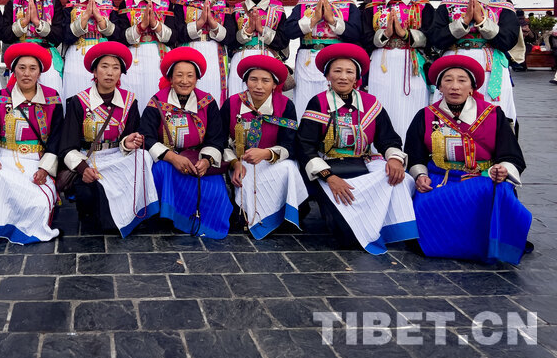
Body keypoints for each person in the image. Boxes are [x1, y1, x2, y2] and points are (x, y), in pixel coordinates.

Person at [405, 55, 531, 264]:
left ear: (472, 87)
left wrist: (502, 170)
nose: (455, 86)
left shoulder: (493, 114)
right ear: (439, 87)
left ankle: (490, 245)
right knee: (426, 202)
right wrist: (420, 176)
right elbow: (414, 153)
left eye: (462, 80)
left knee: (496, 191)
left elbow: (511, 154)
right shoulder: (425, 115)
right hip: (440, 177)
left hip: (482, 177)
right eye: (448, 80)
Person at [295, 44, 418, 253]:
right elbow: (304, 146)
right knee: (347, 237)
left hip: (363, 162)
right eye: (337, 71)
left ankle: (391, 229)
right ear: (327, 76)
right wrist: (329, 177)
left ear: (357, 77)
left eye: (349, 72)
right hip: (329, 168)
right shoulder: (318, 103)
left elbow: (388, 138)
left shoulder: (370, 103)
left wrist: (394, 159)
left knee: (401, 178)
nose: (343, 77)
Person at [59, 41, 158, 236]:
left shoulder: (130, 101)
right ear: (94, 72)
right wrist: (83, 169)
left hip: (118, 156)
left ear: (121, 74)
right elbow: (67, 147)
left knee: (144, 156)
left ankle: (137, 212)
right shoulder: (78, 102)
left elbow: (130, 138)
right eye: (104, 67)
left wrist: (127, 143)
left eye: (115, 68)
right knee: (90, 196)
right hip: (90, 159)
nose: (110, 73)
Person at [0, 44, 63, 245]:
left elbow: (57, 137)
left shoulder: (52, 99)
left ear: (40, 72)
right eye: (21, 68)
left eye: (32, 68)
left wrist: (45, 168)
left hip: (37, 160)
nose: (27, 73)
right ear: (13, 70)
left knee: (40, 201)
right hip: (5, 157)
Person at [141, 47, 230, 238]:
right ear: (170, 78)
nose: (184, 80)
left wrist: (207, 160)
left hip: (198, 160)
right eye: (179, 75)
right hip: (167, 160)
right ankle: (168, 217)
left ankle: (204, 224)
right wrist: (172, 158)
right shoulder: (157, 102)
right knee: (163, 170)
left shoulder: (207, 102)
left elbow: (217, 137)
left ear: (197, 78)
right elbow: (146, 136)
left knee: (215, 189)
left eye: (190, 75)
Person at [428, 0, 520, 121]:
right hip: (455, 61)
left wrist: (482, 22)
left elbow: (508, 40)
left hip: (491, 64)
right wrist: (463, 22)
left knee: (493, 112)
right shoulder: (447, 5)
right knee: (452, 111)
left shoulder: (502, 4)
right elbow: (435, 38)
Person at [222, 55, 306, 239]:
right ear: (246, 82)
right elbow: (220, 140)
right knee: (245, 181)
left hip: (273, 161)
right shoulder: (232, 104)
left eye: (265, 81)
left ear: (275, 85)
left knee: (289, 168)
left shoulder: (285, 106)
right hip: (242, 163)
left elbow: (290, 144)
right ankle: (250, 217)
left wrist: (267, 153)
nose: (259, 86)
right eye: (253, 79)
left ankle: (284, 214)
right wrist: (235, 163)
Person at [361, 0, 434, 137]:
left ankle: (412, 146)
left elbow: (432, 36)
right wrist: (385, 34)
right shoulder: (371, 6)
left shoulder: (422, 5)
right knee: (382, 101)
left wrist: (405, 34)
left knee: (413, 102)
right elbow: (363, 37)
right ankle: (382, 146)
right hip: (381, 61)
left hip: (412, 62)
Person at [286, 0, 361, 120]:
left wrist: (332, 20)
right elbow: (289, 31)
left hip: (337, 59)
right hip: (307, 60)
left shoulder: (348, 5)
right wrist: (313, 20)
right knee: (304, 102)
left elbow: (356, 33)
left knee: (334, 104)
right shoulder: (303, 5)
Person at [118, 0, 181, 112]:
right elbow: (121, 37)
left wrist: (155, 25)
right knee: (133, 92)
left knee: (157, 93)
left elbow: (173, 37)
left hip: (158, 56)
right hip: (134, 55)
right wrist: (141, 27)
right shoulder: (126, 3)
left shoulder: (166, 3)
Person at [3, 0, 65, 98]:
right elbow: (4, 35)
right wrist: (23, 23)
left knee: (49, 98)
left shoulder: (53, 3)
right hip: (20, 57)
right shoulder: (12, 4)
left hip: (47, 57)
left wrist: (38, 23)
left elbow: (59, 36)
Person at [175, 0, 235, 105]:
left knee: (214, 89)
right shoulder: (182, 3)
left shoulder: (223, 4)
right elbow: (176, 33)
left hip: (215, 54)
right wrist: (199, 23)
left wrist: (213, 25)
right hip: (190, 50)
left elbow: (230, 37)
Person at [229, 0, 289, 97]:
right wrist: (248, 30)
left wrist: (262, 30)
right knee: (238, 97)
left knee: (266, 98)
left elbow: (283, 41)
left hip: (268, 56)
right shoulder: (237, 9)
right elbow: (230, 41)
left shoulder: (278, 9)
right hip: (241, 57)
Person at [62, 0, 119, 99]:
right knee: (76, 95)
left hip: (104, 55)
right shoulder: (71, 4)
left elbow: (118, 36)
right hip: (77, 55)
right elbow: (65, 36)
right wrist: (85, 17)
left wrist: (99, 18)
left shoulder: (109, 5)